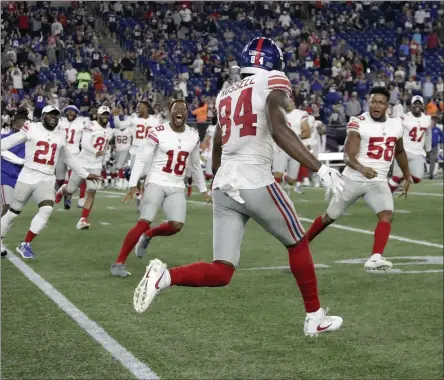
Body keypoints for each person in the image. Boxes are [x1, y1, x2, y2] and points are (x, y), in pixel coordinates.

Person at [132, 37, 345, 337]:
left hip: (225, 183)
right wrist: (320, 168)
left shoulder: (226, 93)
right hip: (253, 175)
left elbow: (219, 139)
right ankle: (313, 317)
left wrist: (219, 176)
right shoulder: (273, 80)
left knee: (223, 270)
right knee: (298, 241)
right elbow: (279, 127)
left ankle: (164, 276)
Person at [306, 87, 412, 272]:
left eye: (380, 102)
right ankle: (302, 245)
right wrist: (362, 168)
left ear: (388, 105)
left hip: (377, 181)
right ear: (368, 103)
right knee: (329, 217)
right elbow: (347, 156)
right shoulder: (359, 122)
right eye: (373, 101)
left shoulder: (396, 124)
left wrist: (407, 174)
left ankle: (375, 257)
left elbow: (400, 151)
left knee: (386, 214)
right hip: (352, 178)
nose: (376, 105)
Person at [110, 100, 210, 277]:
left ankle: (149, 235)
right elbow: (142, 158)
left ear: (187, 114)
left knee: (176, 225)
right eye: (176, 108)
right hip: (156, 179)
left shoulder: (193, 135)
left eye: (183, 109)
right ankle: (118, 263)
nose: (180, 110)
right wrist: (133, 184)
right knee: (145, 220)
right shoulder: (158, 131)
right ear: (169, 112)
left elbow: (195, 165)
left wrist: (203, 189)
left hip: (177, 183)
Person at [0, 106, 101, 259]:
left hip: (47, 177)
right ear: (43, 116)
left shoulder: (60, 134)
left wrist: (85, 174)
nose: (54, 117)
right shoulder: (32, 128)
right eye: (50, 114)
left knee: (46, 209)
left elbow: (68, 158)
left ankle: (25, 243)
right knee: (13, 213)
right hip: (28, 174)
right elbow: (10, 141)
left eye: (56, 115)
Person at [56, 106, 114, 230]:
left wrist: (104, 155)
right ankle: (63, 189)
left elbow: (106, 146)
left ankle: (83, 219)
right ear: (98, 115)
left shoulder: (110, 131)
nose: (105, 117)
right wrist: (96, 151)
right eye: (103, 114)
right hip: (82, 162)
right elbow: (85, 144)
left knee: (92, 191)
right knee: (71, 190)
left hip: (96, 165)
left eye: (107, 114)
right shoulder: (90, 125)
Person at [388, 95, 432, 191]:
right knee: (396, 178)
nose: (417, 105)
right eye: (415, 103)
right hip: (403, 151)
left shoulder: (427, 119)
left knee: (417, 179)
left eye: (419, 103)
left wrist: (428, 149)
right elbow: (393, 128)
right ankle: (384, 195)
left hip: (418, 152)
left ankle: (403, 177)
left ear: (422, 106)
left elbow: (428, 135)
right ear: (411, 105)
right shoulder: (404, 117)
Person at [0, 107, 28, 256]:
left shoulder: (29, 140)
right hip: (5, 175)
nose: (19, 125)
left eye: (22, 122)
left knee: (12, 211)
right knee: (7, 206)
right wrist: (21, 161)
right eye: (17, 122)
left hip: (20, 178)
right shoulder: (4, 137)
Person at [272, 99, 310, 192]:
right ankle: (276, 196)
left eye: (290, 102)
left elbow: (307, 133)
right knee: (277, 176)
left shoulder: (300, 114)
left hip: (295, 149)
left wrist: (292, 138)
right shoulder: (277, 114)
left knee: (292, 181)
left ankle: (285, 178)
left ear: (294, 103)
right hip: (280, 148)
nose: (288, 104)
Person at [55, 105, 85, 209]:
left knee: (72, 178)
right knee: (59, 179)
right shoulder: (61, 122)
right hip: (61, 152)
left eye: (73, 112)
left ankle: (68, 198)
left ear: (77, 113)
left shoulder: (81, 123)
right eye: (68, 112)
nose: (70, 114)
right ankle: (61, 190)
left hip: (74, 153)